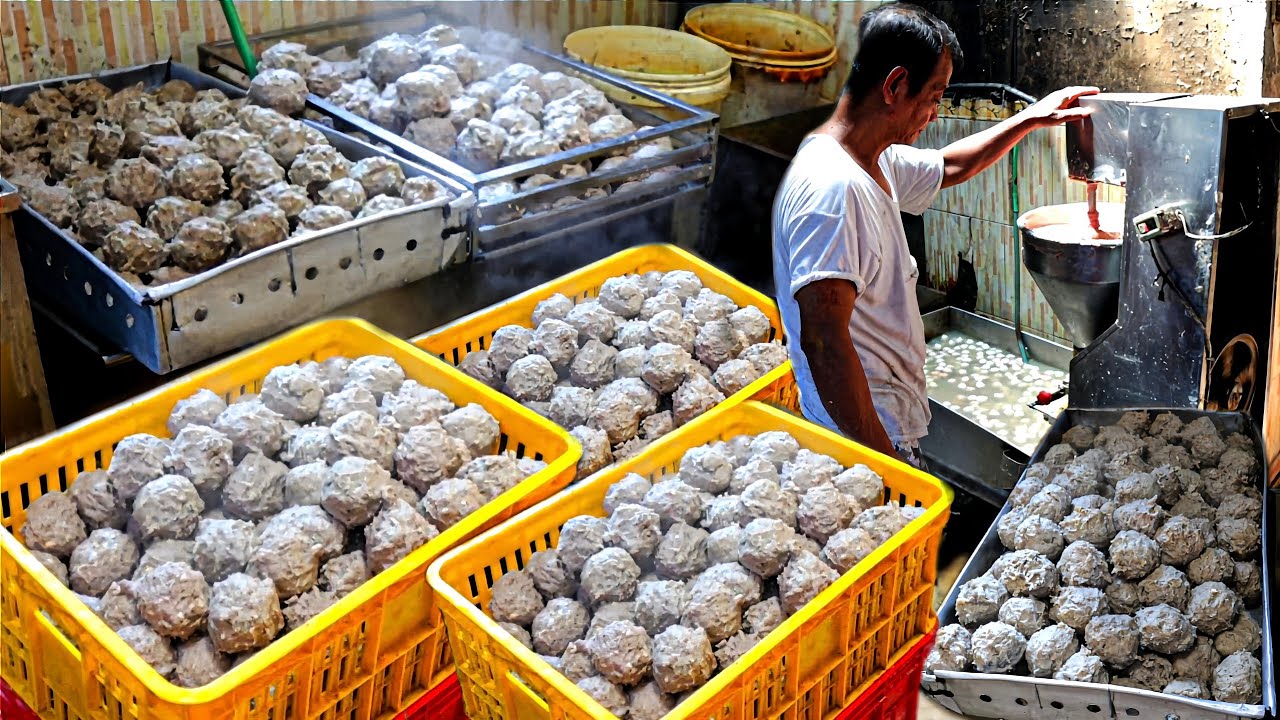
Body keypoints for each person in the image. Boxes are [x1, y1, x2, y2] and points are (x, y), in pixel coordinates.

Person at [772, 2, 1097, 470]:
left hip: (882, 425)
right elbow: (823, 343)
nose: (934, 112)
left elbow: (949, 165)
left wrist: (1031, 118)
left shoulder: (873, 158)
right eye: (934, 95)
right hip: (858, 445)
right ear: (895, 86)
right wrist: (886, 465)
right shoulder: (832, 190)